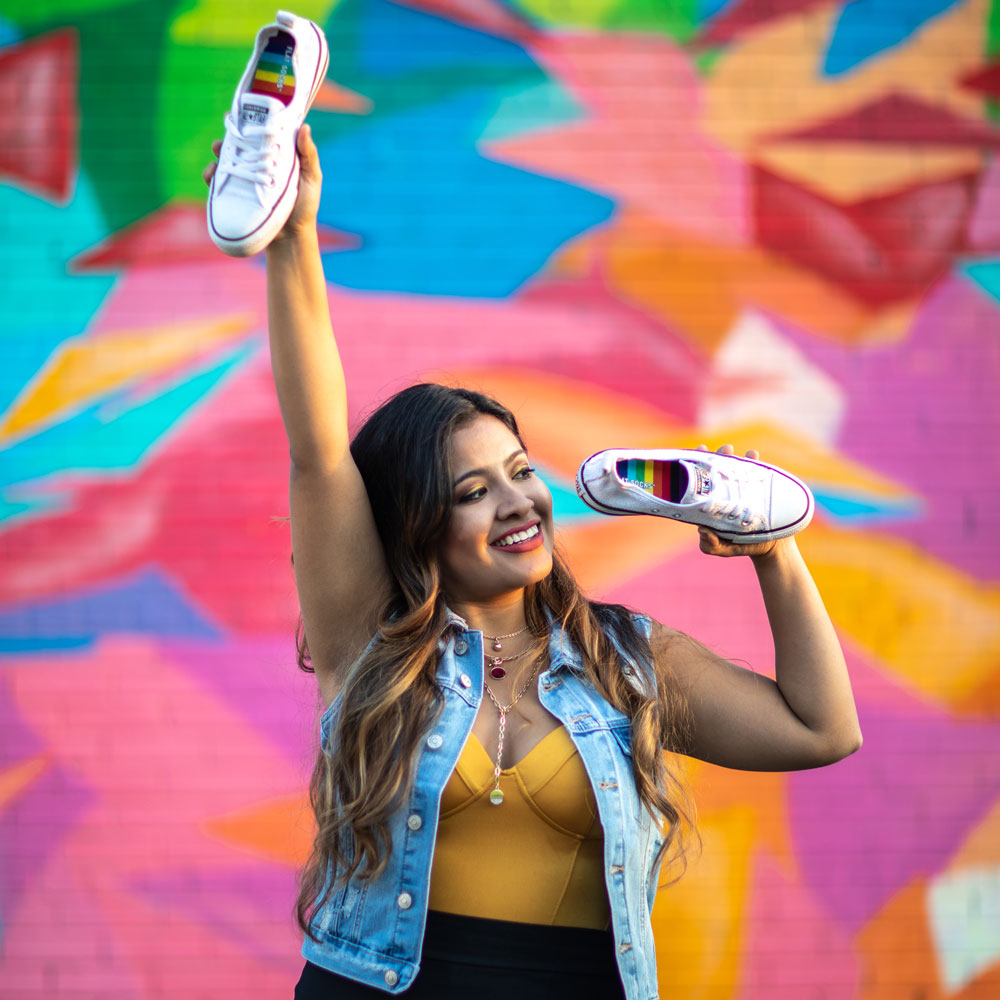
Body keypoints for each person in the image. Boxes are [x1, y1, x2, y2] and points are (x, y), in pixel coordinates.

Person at [204, 126, 862, 1000]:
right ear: (417, 527)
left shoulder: (627, 661)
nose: (519, 502)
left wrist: (774, 554)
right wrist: (293, 239)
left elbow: (822, 731)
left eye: (521, 472)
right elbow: (319, 449)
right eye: (474, 491)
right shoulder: (370, 644)